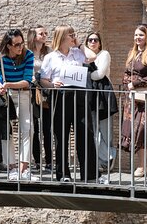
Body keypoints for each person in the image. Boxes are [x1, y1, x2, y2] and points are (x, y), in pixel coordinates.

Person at [40, 25, 99, 182]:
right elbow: (43, 80)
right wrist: (52, 85)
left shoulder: (78, 53)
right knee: (61, 135)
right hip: (61, 96)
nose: (73, 36)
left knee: (86, 133)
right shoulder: (50, 57)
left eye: (74, 34)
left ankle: (89, 174)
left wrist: (79, 44)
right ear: (61, 37)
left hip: (79, 95)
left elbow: (93, 56)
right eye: (70, 35)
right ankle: (63, 174)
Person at [0, 29, 35, 181]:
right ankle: (12, 167)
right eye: (16, 44)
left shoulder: (28, 55)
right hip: (6, 96)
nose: (20, 47)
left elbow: (27, 81)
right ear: (8, 45)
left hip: (22, 93)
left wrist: (8, 84)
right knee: (6, 131)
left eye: (21, 43)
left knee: (28, 129)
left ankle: (24, 169)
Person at [121, 23, 147, 177]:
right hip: (132, 97)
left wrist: (136, 82)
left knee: (143, 130)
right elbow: (126, 73)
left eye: (141, 35)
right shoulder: (132, 53)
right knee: (132, 129)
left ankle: (143, 166)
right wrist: (127, 83)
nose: (137, 38)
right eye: (136, 35)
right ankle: (140, 165)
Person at [86, 31, 118, 172]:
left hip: (103, 95)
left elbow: (99, 74)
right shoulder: (84, 57)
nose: (93, 42)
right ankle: (106, 157)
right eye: (90, 40)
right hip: (90, 95)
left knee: (105, 131)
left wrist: (84, 76)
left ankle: (106, 162)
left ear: (100, 43)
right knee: (93, 130)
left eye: (96, 40)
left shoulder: (104, 54)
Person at [27, 26, 52, 172]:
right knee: (34, 127)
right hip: (32, 92)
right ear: (33, 36)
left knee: (48, 128)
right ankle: (37, 161)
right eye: (41, 33)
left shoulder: (48, 52)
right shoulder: (27, 53)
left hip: (46, 93)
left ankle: (49, 162)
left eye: (45, 33)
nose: (44, 35)